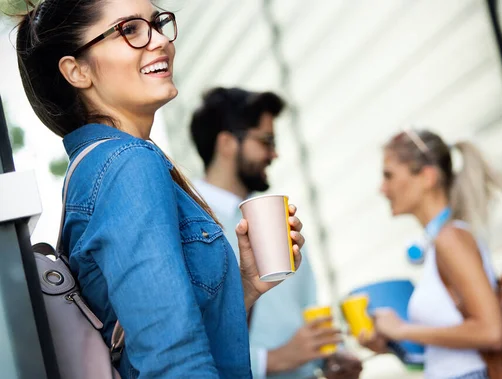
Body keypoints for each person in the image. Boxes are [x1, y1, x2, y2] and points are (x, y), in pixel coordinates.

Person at [15, 1, 306, 378]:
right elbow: (171, 358)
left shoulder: (100, 166)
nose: (159, 41)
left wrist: (245, 284)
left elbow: (146, 329)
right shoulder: (126, 164)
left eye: (157, 23)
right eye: (129, 30)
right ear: (77, 70)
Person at [189, 87, 363, 379]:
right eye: (266, 141)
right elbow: (191, 333)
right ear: (227, 143)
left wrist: (330, 358)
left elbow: (307, 305)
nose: (275, 153)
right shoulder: (191, 222)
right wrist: (271, 360)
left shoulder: (279, 217)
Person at [360, 129, 502, 379]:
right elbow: (440, 353)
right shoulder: (442, 240)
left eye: (389, 176)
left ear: (427, 177)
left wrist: (402, 329)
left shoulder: (450, 238)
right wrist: (389, 344)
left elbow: (491, 332)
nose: (382, 188)